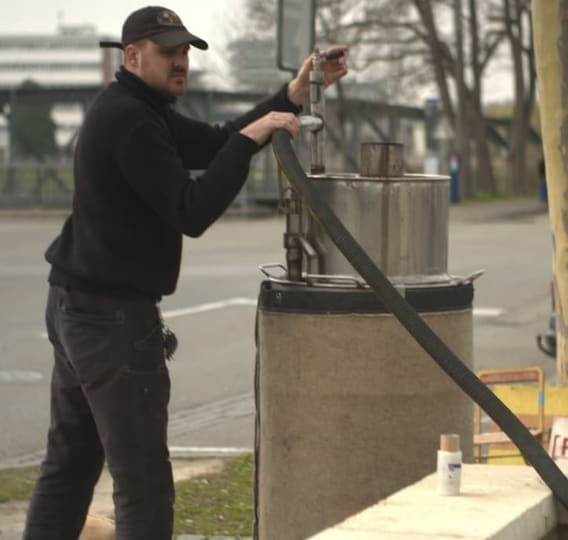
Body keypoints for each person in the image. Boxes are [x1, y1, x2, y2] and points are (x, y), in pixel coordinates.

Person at [22, 6, 348, 539]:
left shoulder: (138, 108)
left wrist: (289, 97)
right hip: (110, 319)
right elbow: (190, 209)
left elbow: (216, 139)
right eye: (167, 52)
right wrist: (251, 142)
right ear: (132, 56)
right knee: (143, 480)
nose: (180, 63)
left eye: (184, 53)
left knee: (72, 462)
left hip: (79, 304)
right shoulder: (128, 119)